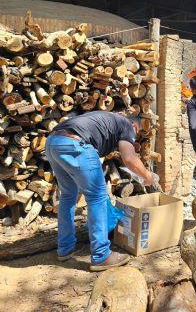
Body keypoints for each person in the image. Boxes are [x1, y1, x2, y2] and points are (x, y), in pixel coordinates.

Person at [45, 111, 156, 271]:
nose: (133, 137)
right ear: (134, 126)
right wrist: (147, 176)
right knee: (97, 197)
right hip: (75, 144)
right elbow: (129, 158)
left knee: (68, 196)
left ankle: (65, 248)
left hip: (53, 142)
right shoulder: (127, 125)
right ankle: (101, 255)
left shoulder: (108, 120)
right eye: (136, 133)